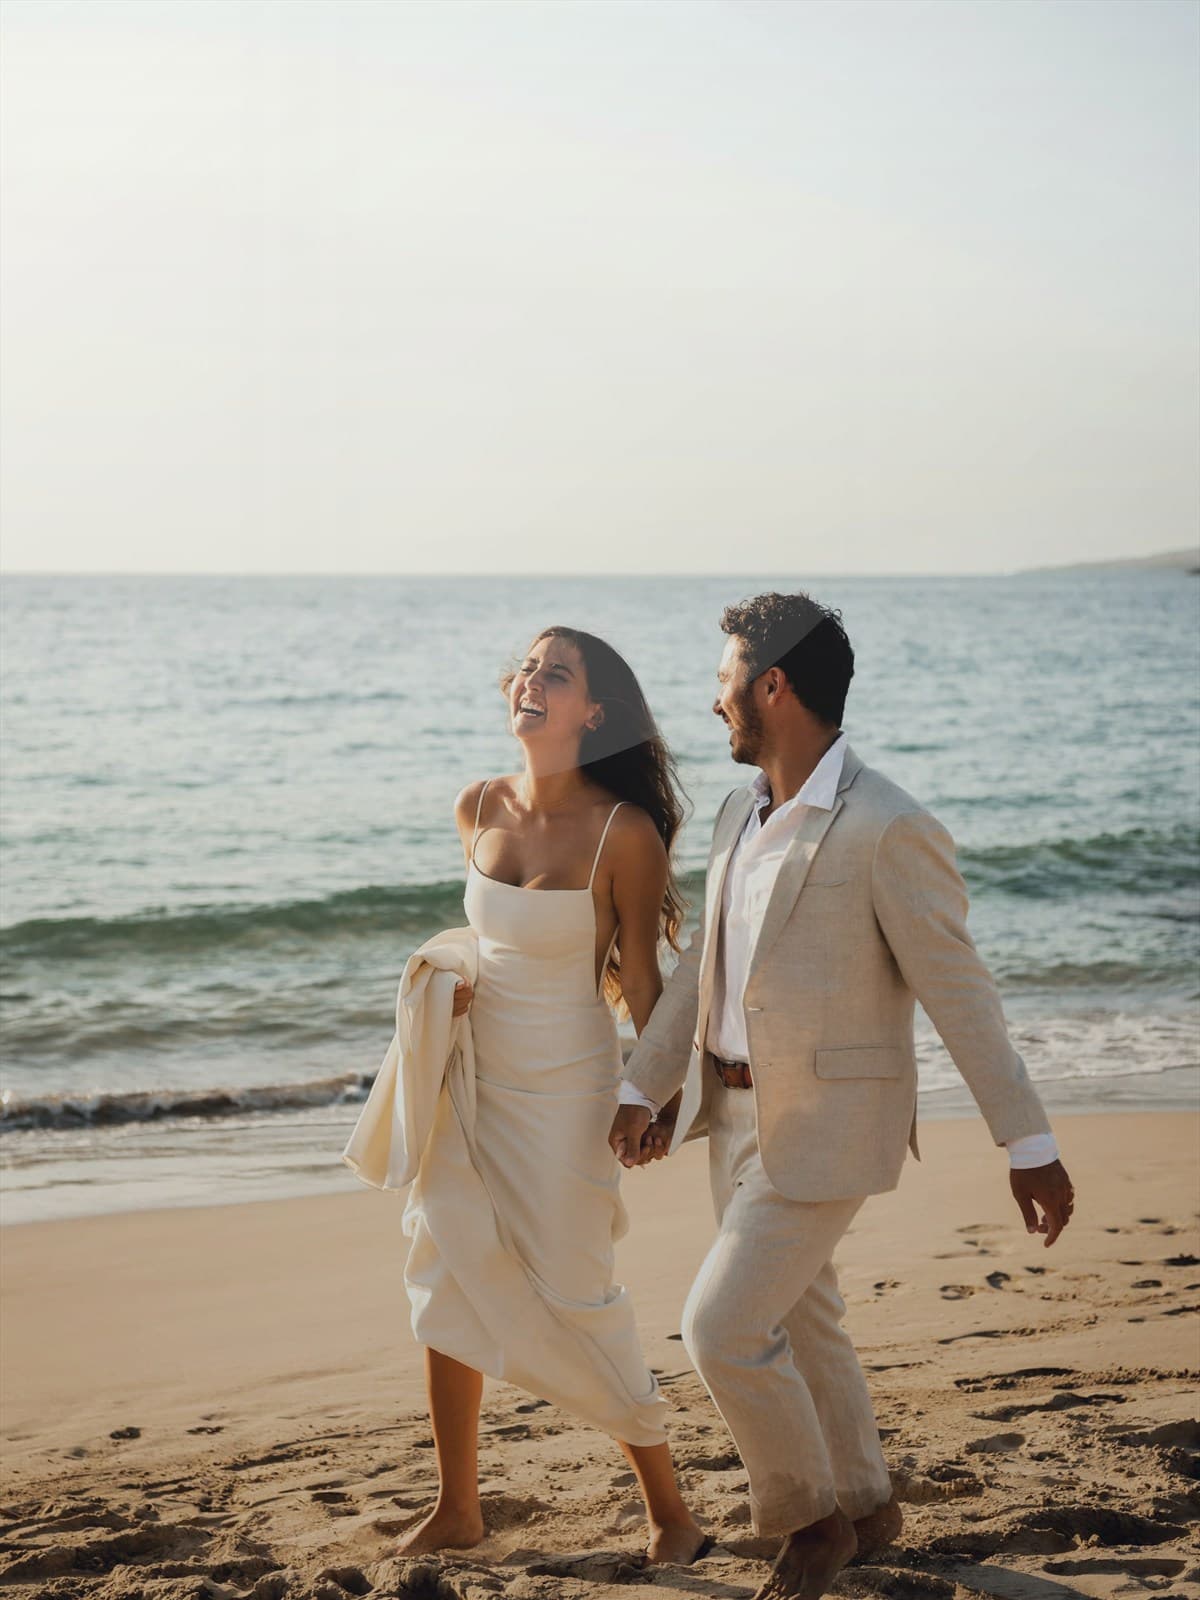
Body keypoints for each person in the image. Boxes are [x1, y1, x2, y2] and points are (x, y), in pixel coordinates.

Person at [608, 591, 1075, 1600]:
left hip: (828, 1125)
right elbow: (701, 975)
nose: (714, 697)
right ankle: (866, 1502)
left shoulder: (887, 826)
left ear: (772, 684)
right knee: (804, 1316)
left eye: (727, 676)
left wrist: (1027, 1142)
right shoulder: (741, 810)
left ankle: (812, 1521)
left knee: (722, 1327)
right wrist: (644, 1084)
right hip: (729, 1115)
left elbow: (961, 991)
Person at [387, 626, 707, 1565]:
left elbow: (641, 979)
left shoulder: (625, 832)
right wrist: (449, 976)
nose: (529, 681)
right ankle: (458, 1507)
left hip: (570, 1097)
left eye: (553, 674)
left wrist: (657, 1091)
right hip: (473, 1081)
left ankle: (670, 1511)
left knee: (579, 1293)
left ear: (591, 712)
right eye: (525, 668)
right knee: (449, 1267)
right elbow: (480, 944)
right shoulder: (477, 803)